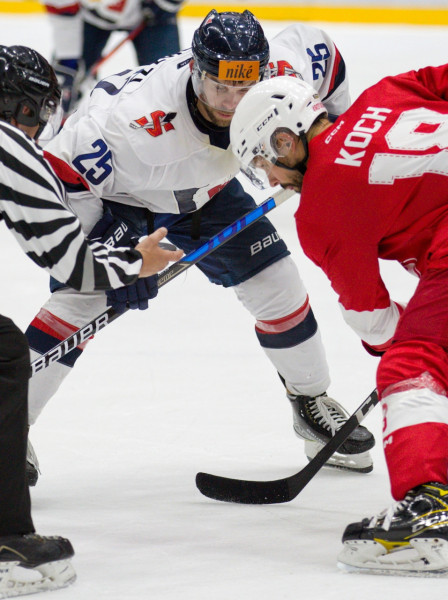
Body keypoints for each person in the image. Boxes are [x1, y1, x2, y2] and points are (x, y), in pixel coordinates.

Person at [25, 9, 375, 486]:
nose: (231, 103)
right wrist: (104, 251)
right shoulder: (133, 122)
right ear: (195, 70)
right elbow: (60, 169)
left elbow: (325, 56)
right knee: (80, 302)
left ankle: (309, 400)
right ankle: (10, 429)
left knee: (277, 283)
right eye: (218, 89)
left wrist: (331, 141)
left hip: (209, 193)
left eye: (243, 87)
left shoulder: (283, 77)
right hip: (119, 201)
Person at [228, 62, 448, 575]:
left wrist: (414, 340)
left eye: (265, 163)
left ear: (286, 141)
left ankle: (421, 516)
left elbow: (372, 319)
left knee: (411, 363)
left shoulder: (322, 209)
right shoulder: (388, 92)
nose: (269, 178)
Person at [0, 44, 181, 597]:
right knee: (7, 353)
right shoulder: (8, 146)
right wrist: (136, 263)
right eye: (35, 113)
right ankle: (6, 540)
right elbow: (71, 263)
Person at [42, 0, 185, 118]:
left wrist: (167, 3)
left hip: (153, 17)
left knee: (166, 85)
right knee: (62, 82)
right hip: (91, 18)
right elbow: (61, 9)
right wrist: (68, 59)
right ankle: (53, 130)